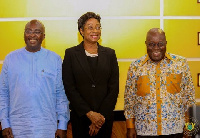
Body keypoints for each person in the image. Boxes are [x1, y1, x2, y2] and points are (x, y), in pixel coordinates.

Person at [0, 19, 70, 138]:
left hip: (46, 126)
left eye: (37, 32)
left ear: (43, 36)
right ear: (24, 34)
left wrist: (62, 124)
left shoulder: (55, 59)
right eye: (28, 31)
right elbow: (3, 93)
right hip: (16, 126)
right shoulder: (10, 59)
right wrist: (4, 123)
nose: (32, 35)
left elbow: (61, 94)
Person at [124, 28, 195, 138]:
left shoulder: (180, 64)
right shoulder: (135, 66)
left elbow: (189, 97)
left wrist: (190, 127)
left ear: (166, 43)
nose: (156, 48)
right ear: (146, 44)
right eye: (151, 44)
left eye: (160, 44)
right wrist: (130, 127)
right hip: (145, 131)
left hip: (175, 131)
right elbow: (129, 100)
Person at [62, 12, 119, 138]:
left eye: (98, 27)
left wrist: (100, 117)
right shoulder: (71, 54)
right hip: (81, 118)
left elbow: (114, 88)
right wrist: (89, 114)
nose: (95, 31)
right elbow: (69, 87)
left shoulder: (110, 54)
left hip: (104, 119)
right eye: (90, 27)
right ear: (81, 31)